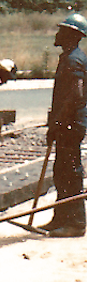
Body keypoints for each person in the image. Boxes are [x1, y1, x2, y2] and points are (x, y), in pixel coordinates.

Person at [42, 13, 87, 237]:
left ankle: (76, 223)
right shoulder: (69, 57)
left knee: (70, 172)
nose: (57, 33)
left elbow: (75, 96)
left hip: (70, 124)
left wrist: (57, 123)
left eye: (62, 30)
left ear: (71, 35)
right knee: (61, 171)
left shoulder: (73, 60)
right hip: (66, 123)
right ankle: (60, 218)